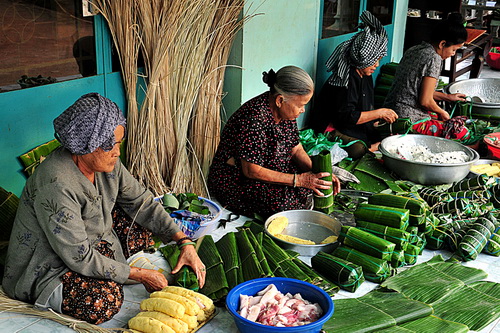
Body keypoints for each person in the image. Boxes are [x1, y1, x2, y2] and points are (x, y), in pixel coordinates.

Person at [2, 93, 206, 324]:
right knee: (104, 301)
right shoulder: (56, 184)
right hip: (50, 266)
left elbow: (141, 202)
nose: (117, 152)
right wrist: (140, 275)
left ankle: (112, 268)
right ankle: (67, 287)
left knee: (141, 222)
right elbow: (79, 258)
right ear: (88, 142)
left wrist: (184, 242)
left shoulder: (108, 164)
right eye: (112, 145)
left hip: (91, 242)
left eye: (119, 143)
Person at [207, 66, 341, 218]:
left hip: (270, 165)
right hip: (237, 177)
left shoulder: (286, 113)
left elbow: (295, 149)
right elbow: (251, 170)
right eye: (300, 105)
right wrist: (300, 180)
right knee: (284, 206)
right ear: (280, 100)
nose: (303, 110)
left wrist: (319, 173)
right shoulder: (253, 119)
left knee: (308, 186)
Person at [310, 11, 398, 159]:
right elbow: (346, 118)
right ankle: (370, 149)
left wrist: (378, 123)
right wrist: (379, 113)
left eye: (379, 60)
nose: (376, 65)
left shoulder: (365, 75)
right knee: (359, 149)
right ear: (362, 59)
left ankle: (372, 146)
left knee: (386, 136)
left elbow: (363, 110)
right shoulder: (345, 79)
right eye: (374, 60)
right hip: (331, 127)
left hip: (349, 125)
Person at [383, 13, 468, 138]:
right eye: (454, 50)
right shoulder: (434, 58)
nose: (453, 54)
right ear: (442, 44)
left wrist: (448, 97)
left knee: (438, 115)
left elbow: (417, 90)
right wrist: (442, 112)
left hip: (392, 110)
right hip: (405, 118)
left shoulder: (415, 49)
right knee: (462, 133)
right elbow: (425, 101)